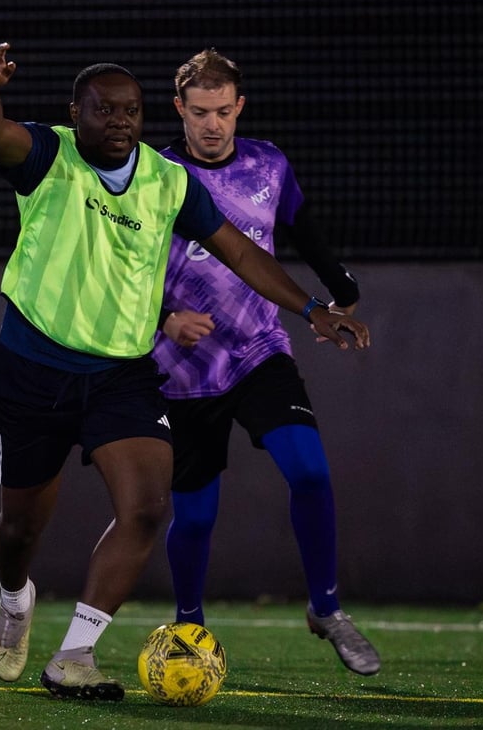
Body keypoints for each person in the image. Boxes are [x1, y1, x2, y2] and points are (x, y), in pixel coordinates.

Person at [0, 42, 370, 701]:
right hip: (35, 368)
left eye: (130, 110)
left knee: (150, 507)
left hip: (122, 374)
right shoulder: (48, 154)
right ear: (79, 113)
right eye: (104, 110)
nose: (119, 120)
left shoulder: (167, 180)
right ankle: (15, 597)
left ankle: (73, 656)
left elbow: (240, 249)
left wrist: (312, 309)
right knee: (19, 531)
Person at [152, 48, 381, 676]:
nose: (212, 125)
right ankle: (190, 627)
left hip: (258, 351)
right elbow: (126, 268)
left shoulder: (268, 163)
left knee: (309, 472)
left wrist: (339, 290)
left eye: (224, 111)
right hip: (182, 365)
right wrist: (163, 321)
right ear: (180, 110)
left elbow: (303, 230)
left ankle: (326, 607)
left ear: (239, 107)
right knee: (195, 515)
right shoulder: (156, 173)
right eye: (199, 112)